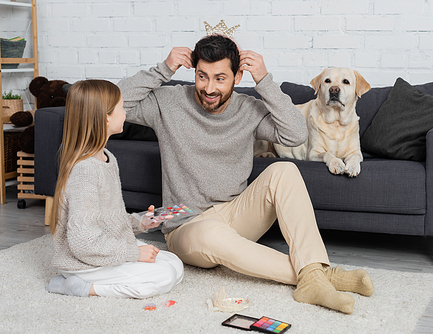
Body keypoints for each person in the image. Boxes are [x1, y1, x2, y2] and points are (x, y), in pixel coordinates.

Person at [117, 34, 374, 313]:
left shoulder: (248, 108)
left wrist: (264, 80)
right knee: (209, 235)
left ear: (238, 76)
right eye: (202, 77)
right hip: (185, 222)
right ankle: (321, 275)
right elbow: (113, 104)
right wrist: (162, 69)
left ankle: (313, 275)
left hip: (235, 213)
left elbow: (296, 134)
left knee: (284, 170)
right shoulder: (169, 102)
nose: (209, 88)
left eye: (220, 78)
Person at [46, 79, 184, 299]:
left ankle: (91, 280)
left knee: (174, 264)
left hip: (105, 250)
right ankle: (78, 287)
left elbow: (110, 219)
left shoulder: (108, 158)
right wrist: (132, 253)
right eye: (122, 108)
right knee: (164, 276)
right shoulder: (85, 171)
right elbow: (83, 242)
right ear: (105, 117)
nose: (126, 114)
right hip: (83, 262)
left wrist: (140, 222)